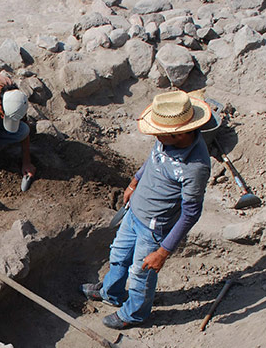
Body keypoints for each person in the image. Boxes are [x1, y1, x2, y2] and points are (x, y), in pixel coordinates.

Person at [82, 90, 212, 330]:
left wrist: (163, 251)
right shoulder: (167, 138)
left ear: (180, 133)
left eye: (159, 133)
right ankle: (111, 294)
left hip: (154, 228)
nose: (155, 136)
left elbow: (191, 213)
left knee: (141, 275)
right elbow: (152, 159)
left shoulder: (195, 168)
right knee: (118, 256)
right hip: (134, 213)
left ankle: (134, 314)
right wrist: (134, 181)